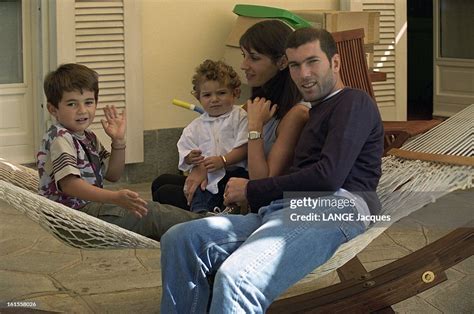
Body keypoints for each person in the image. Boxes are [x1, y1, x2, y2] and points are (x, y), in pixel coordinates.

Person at [159, 27, 384, 313]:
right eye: (294, 65)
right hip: (283, 210)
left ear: (335, 63)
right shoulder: (312, 112)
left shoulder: (353, 102)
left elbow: (329, 176)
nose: (303, 73)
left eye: (312, 61)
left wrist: (251, 188)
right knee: (180, 239)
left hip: (336, 206)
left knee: (238, 278)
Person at [37, 63, 206, 241]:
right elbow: (70, 185)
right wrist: (114, 197)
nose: (82, 110)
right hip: (72, 218)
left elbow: (113, 174)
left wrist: (118, 141)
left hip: (89, 211)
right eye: (72, 104)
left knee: (154, 217)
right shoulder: (60, 138)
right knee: (150, 214)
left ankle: (204, 228)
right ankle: (212, 226)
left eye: (88, 102)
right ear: (53, 109)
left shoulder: (87, 136)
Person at [151, 19, 309, 209]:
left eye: (254, 57)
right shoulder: (259, 102)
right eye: (244, 56)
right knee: (160, 182)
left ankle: (203, 224)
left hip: (253, 195)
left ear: (282, 62)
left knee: (165, 193)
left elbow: (262, 183)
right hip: (229, 179)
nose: (243, 65)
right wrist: (200, 167)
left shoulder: (296, 114)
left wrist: (255, 128)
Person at [177, 59, 248, 212]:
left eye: (221, 93)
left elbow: (244, 148)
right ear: (198, 98)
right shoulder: (195, 127)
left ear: (235, 93)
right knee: (199, 192)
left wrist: (223, 160)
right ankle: (200, 217)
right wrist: (191, 158)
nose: (214, 99)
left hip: (235, 171)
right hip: (208, 175)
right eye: (207, 95)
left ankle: (229, 211)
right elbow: (185, 150)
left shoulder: (240, 116)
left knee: (231, 187)